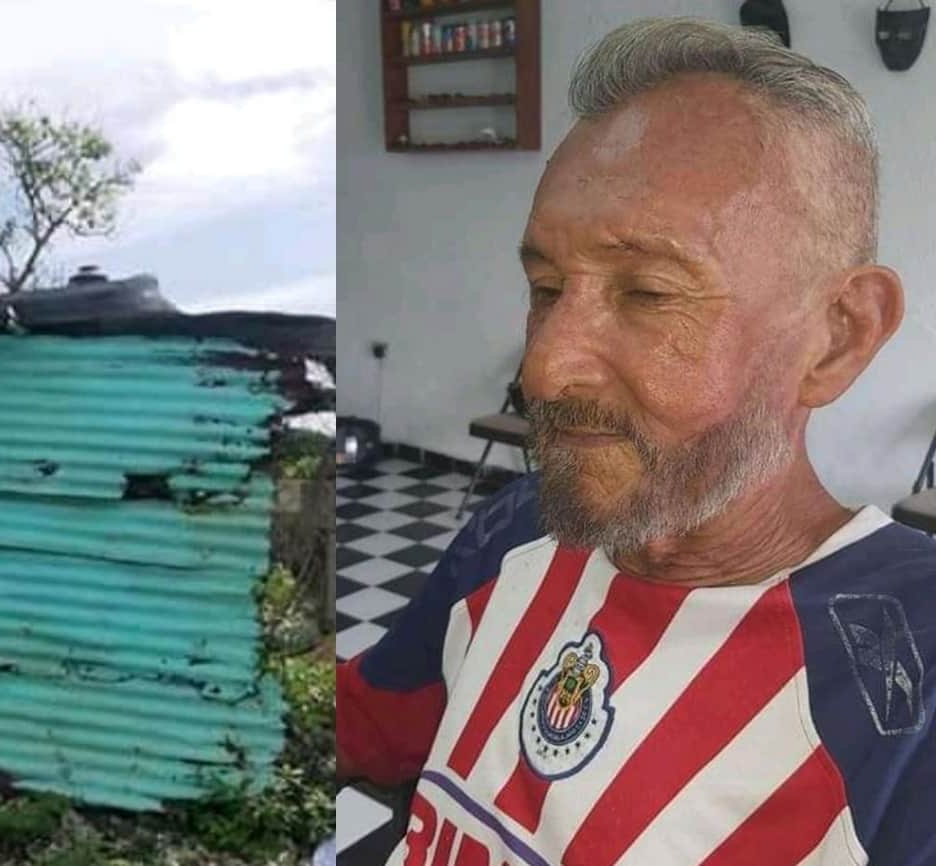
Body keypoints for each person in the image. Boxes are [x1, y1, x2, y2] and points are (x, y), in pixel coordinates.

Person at [337, 18, 936, 866]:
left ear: (837, 338)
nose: (544, 369)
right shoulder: (523, 527)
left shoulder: (907, 679)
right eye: (545, 287)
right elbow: (380, 720)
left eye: (649, 293)